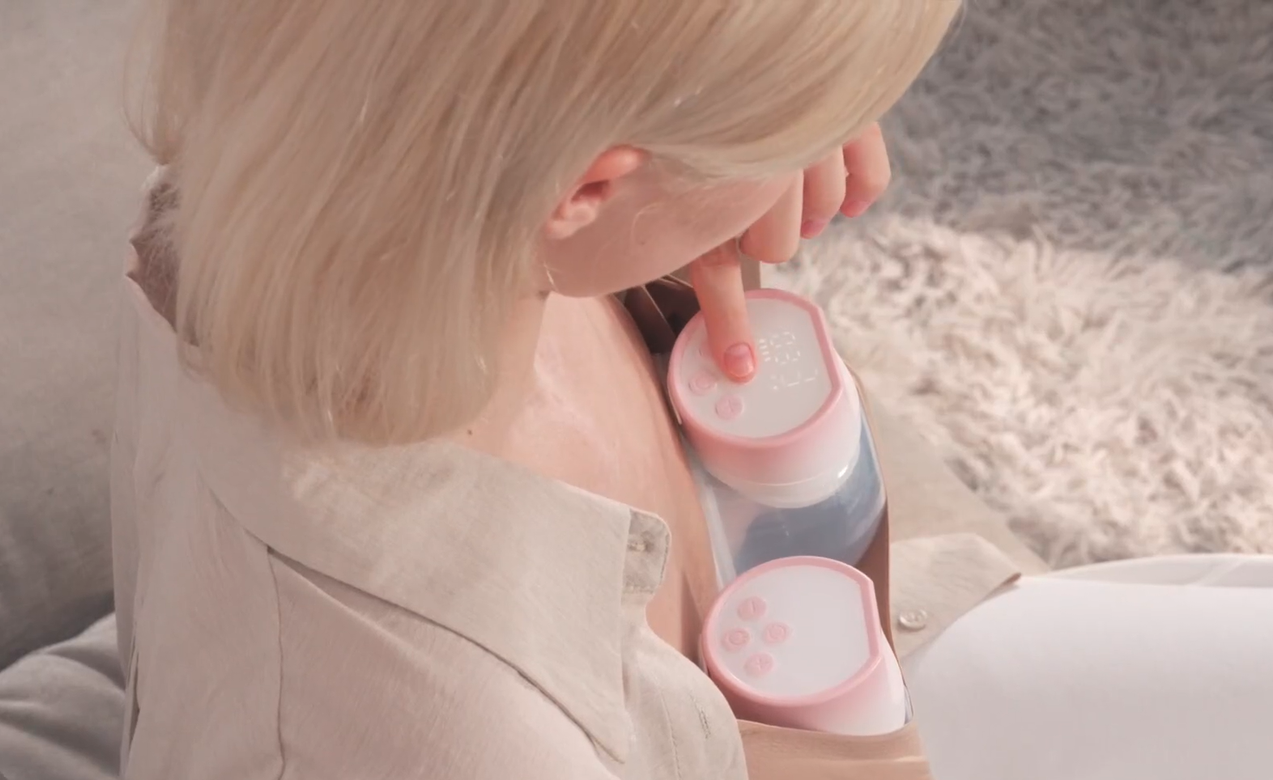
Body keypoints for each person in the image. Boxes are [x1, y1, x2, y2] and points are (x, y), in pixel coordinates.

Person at [100, 1, 1273, 778]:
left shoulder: (321, 178)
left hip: (838, 683)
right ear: (589, 187)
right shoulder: (455, 728)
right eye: (803, 120)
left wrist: (724, 140)